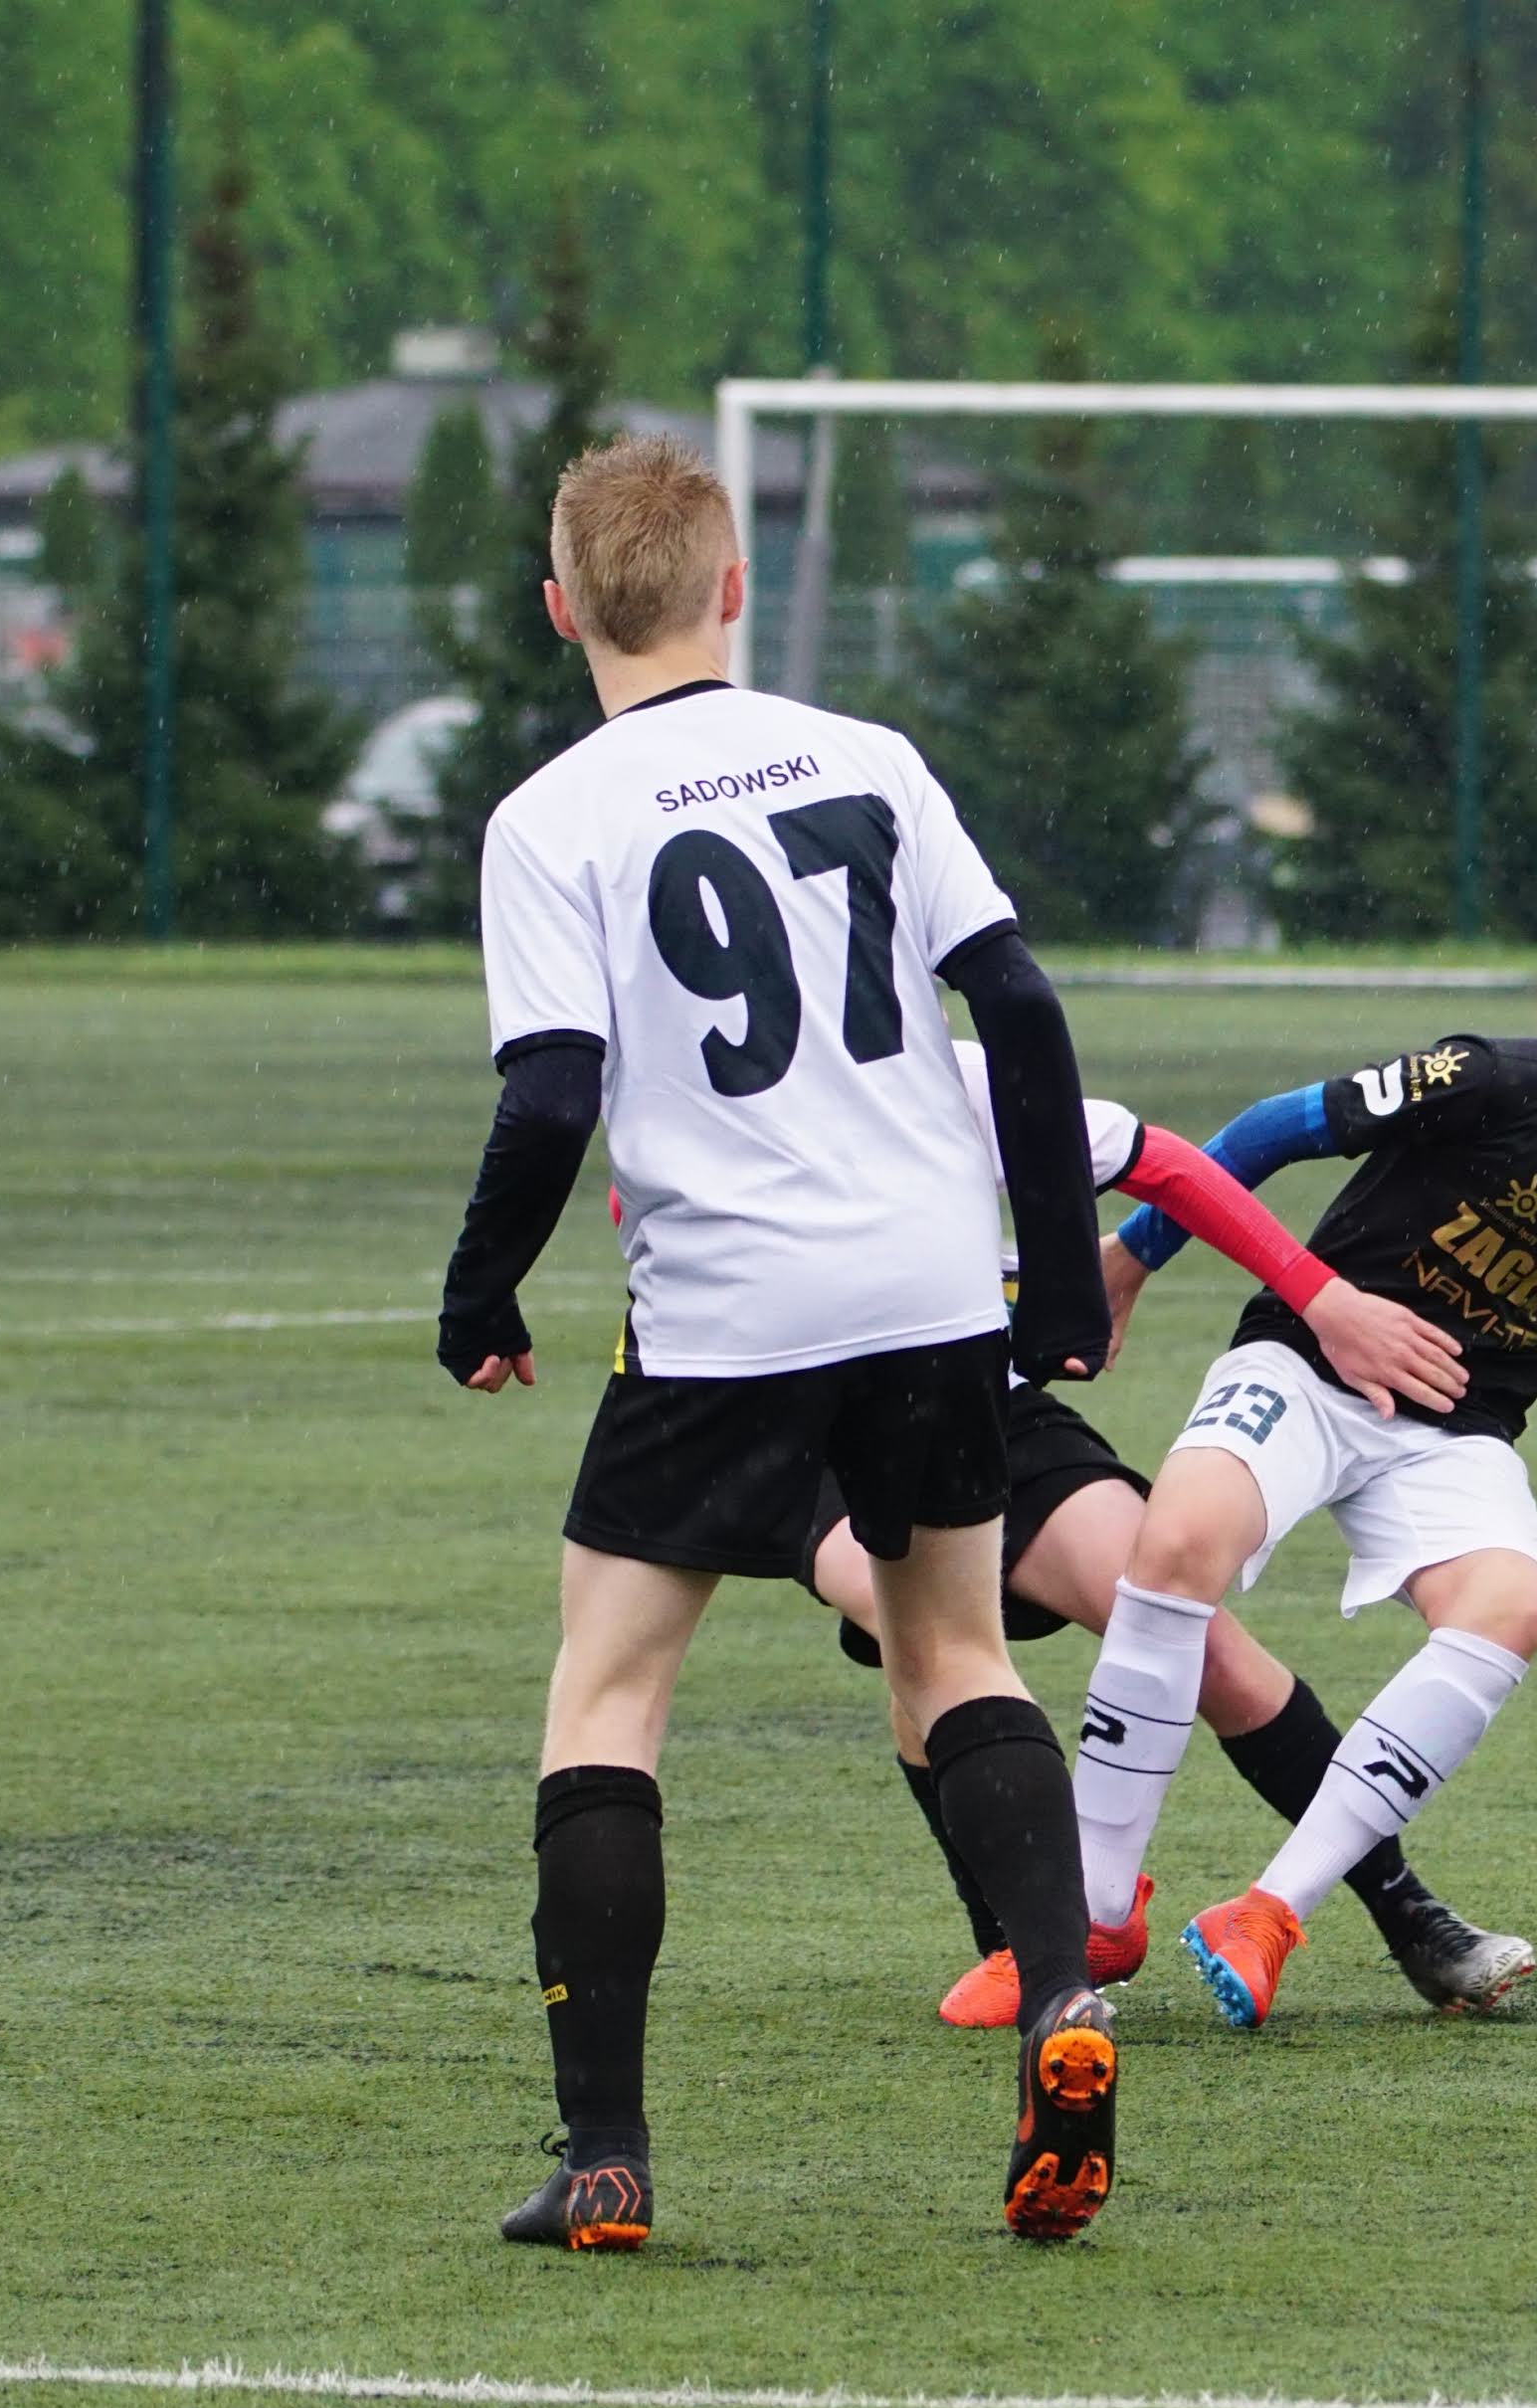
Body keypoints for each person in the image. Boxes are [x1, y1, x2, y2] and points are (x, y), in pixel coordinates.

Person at [431, 433, 1128, 2253]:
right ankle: (1059, 1997)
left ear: (559, 607)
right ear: (732, 589)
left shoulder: (550, 818)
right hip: (927, 1287)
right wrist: (1057, 1283)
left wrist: (480, 1293)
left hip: (728, 1308)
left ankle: (605, 2155)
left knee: (608, 1694)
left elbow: (549, 1096)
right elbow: (1017, 1005)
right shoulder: (868, 757)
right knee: (954, 1654)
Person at [1070, 929, 1537, 2028]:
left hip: (1454, 1433)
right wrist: (1134, 1253)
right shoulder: (1491, 1081)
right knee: (1180, 1538)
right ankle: (1095, 1913)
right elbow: (1274, 1128)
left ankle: (1269, 1912)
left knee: (1514, 1605)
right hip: (1306, 1359)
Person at [799, 1087, 1537, 2026]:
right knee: (928, 1656)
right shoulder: (733, 1097)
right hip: (806, 1438)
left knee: (1190, 1629)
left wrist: (1307, 1294)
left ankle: (1408, 1913)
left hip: (989, 1408)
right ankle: (1025, 1943)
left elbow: (1175, 1168)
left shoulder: (955, 1075)